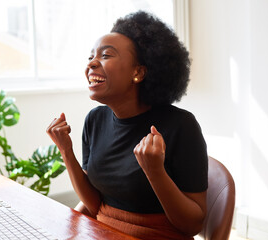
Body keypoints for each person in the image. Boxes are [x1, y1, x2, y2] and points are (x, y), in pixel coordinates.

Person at [47, 11, 208, 240]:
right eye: (91, 56)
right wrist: (66, 150)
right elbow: (95, 205)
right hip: (104, 232)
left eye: (105, 55)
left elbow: (193, 225)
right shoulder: (94, 121)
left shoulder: (180, 126)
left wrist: (155, 172)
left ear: (138, 72)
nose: (92, 63)